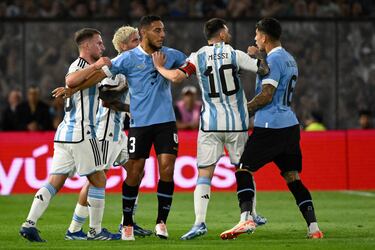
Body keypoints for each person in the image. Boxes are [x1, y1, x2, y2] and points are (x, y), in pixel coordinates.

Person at [64, 15, 187, 240]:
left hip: (160, 123)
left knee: (162, 169)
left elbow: (192, 63)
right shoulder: (127, 60)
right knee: (116, 175)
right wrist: (72, 89)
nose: (163, 34)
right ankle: (107, 225)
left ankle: (159, 222)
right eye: (157, 30)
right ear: (144, 33)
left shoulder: (169, 54)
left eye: (163, 30)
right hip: (122, 129)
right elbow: (101, 82)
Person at [151, 17, 269, 240]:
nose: (229, 35)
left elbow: (176, 77)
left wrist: (159, 67)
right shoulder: (235, 54)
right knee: (243, 170)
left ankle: (199, 223)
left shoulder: (197, 56)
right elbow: (263, 70)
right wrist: (256, 55)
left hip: (210, 125)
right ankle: (250, 214)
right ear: (222, 34)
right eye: (227, 31)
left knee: (204, 174)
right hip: (237, 123)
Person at [220, 18, 323, 240]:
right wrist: (259, 58)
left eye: (257, 34)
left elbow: (266, 95)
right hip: (290, 126)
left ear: (264, 37)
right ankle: (313, 227)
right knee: (293, 178)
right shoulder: (289, 59)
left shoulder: (274, 60)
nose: (255, 38)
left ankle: (245, 218)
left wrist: (242, 111)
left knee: (243, 170)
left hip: (270, 126)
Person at [19, 28, 119, 242]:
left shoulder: (88, 69)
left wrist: (99, 71)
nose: (102, 47)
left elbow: (83, 83)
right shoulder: (80, 65)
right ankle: (95, 231)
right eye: (98, 43)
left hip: (65, 133)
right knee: (99, 179)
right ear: (86, 46)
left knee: (55, 181)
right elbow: (72, 80)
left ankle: (29, 224)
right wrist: (97, 65)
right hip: (82, 133)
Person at [60, 25, 152, 240]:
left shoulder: (131, 66)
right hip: (105, 131)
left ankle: (127, 222)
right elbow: (106, 100)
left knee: (137, 171)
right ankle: (75, 228)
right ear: (122, 46)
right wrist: (133, 106)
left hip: (118, 132)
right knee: (97, 178)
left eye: (139, 39)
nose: (139, 43)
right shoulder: (115, 69)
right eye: (134, 40)